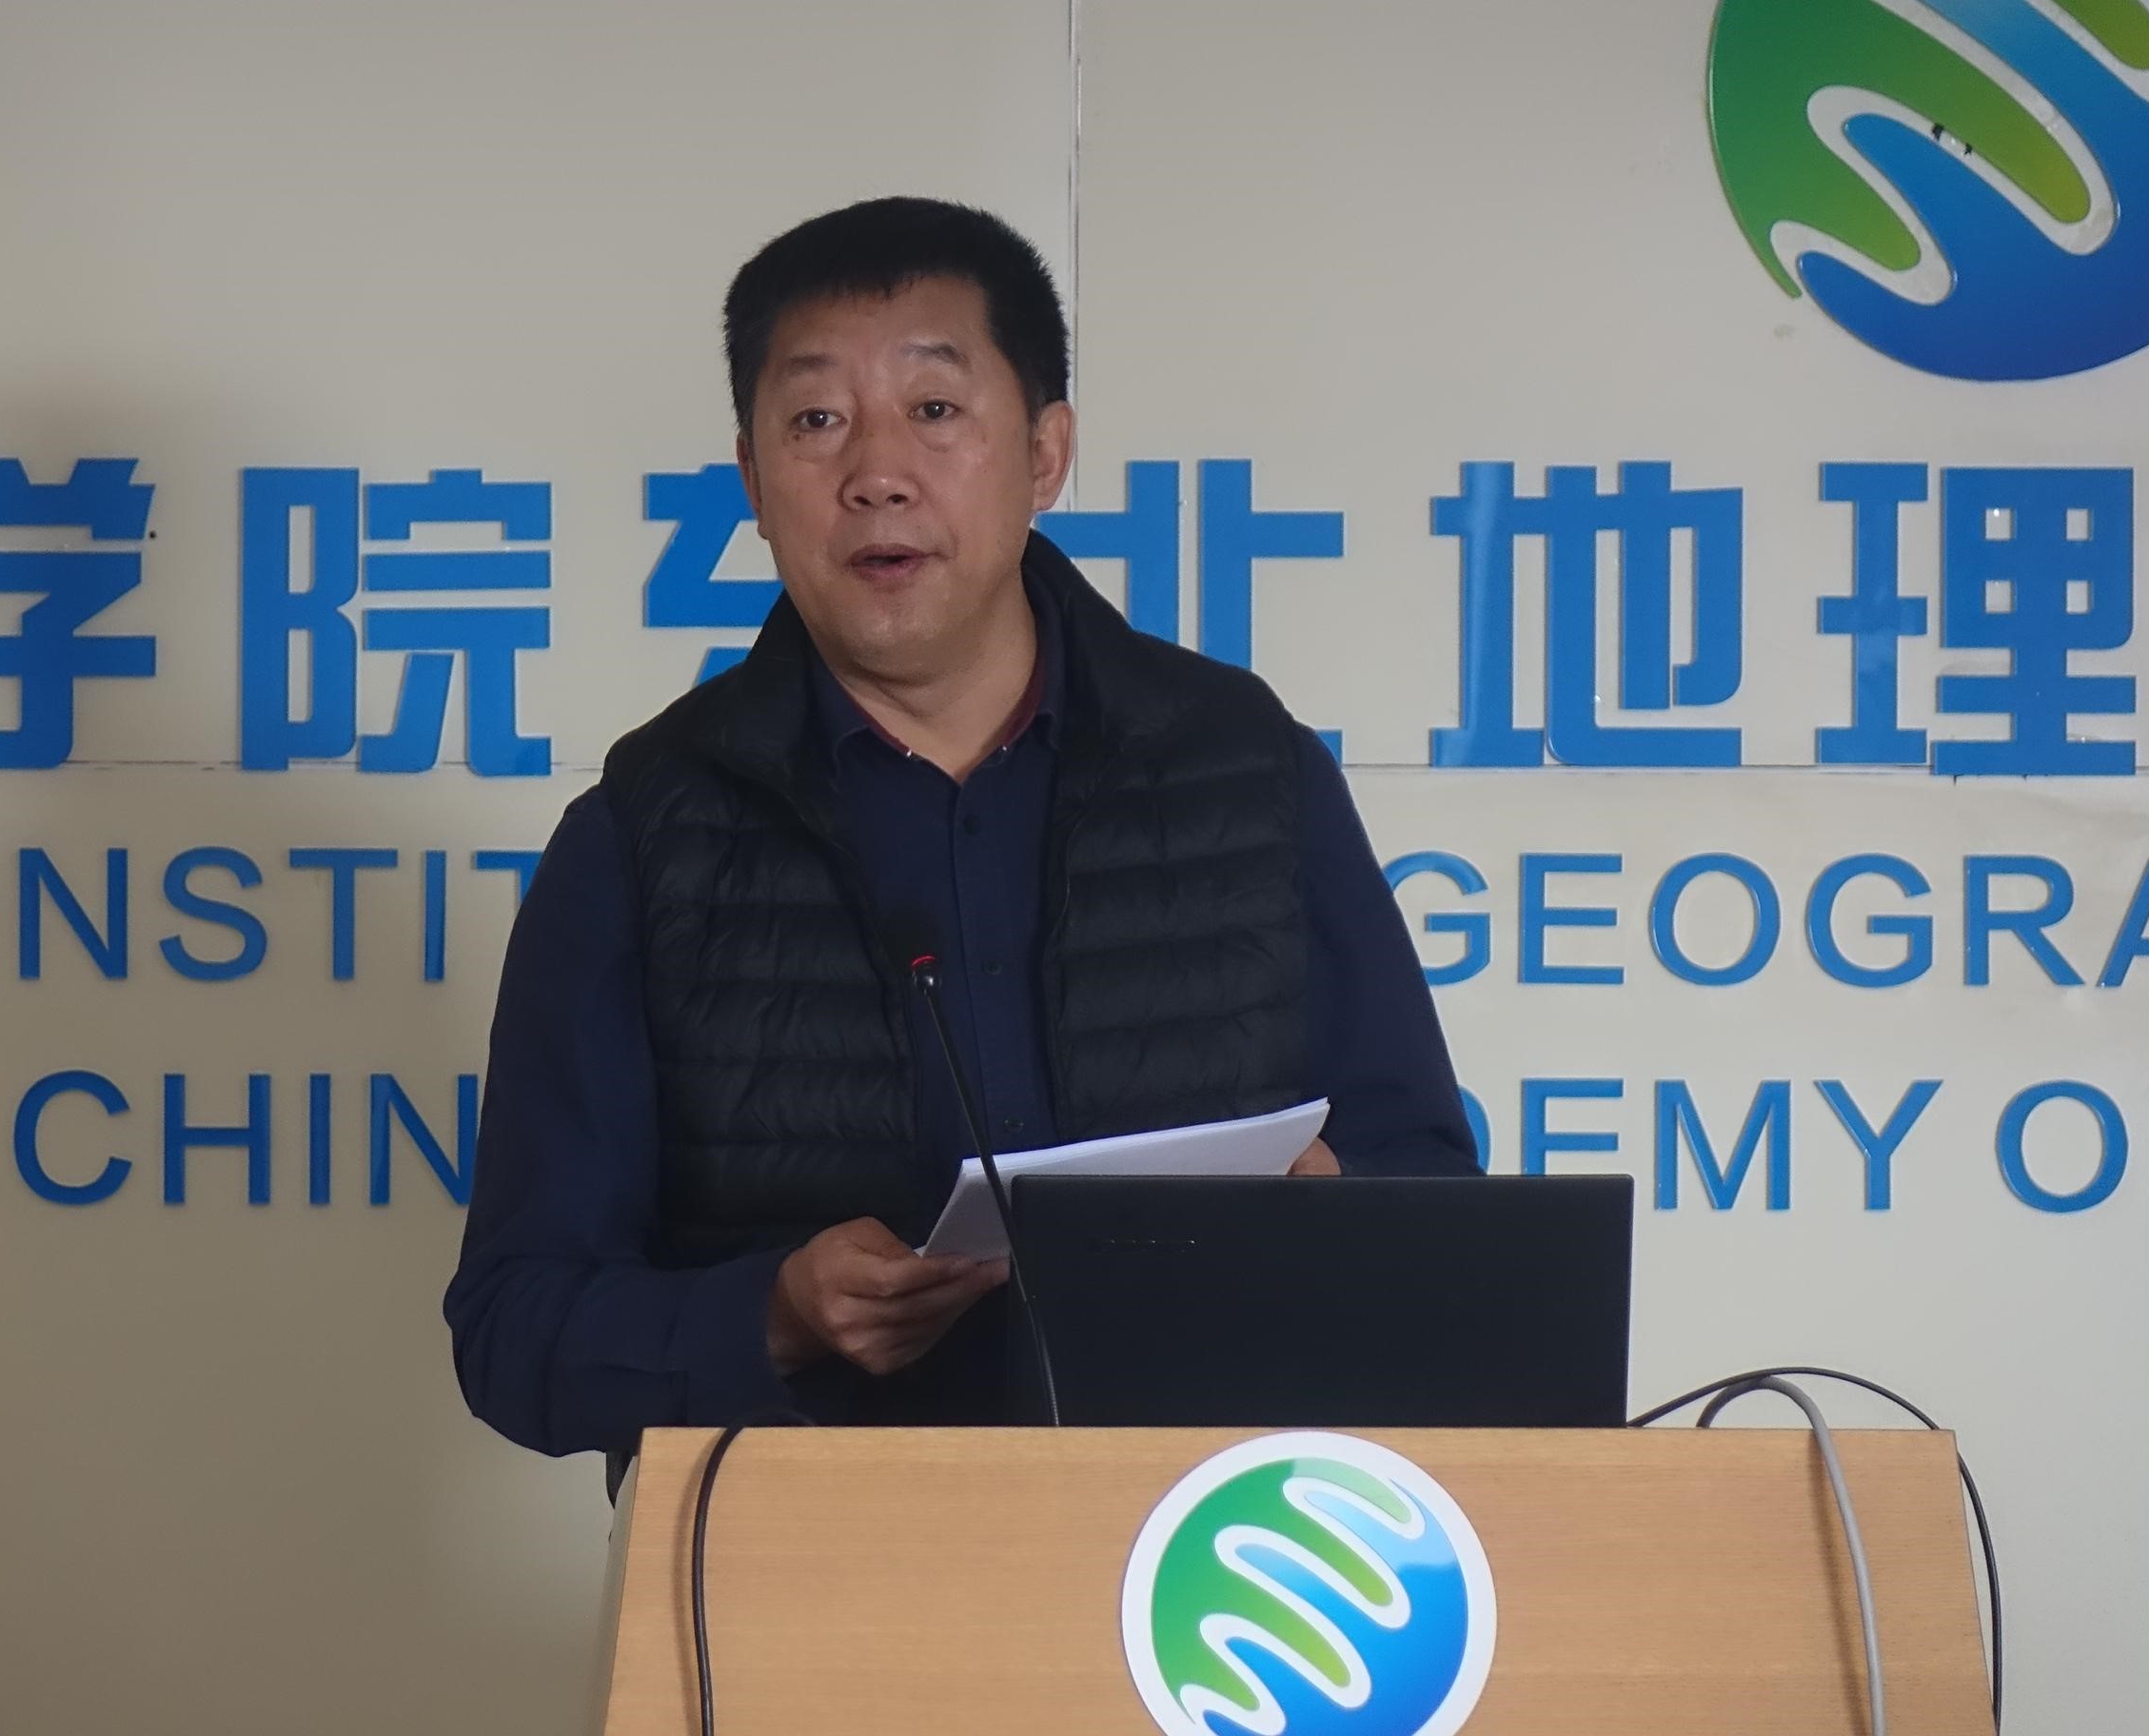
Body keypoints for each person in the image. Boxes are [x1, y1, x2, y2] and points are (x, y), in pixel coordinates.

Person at [443, 196, 1477, 1481]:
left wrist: (1328, 1208)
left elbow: (1433, 1193)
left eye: (934, 409)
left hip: (1207, 1542)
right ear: (753, 482)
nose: (876, 472)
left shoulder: (1244, 769)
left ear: (1045, 453)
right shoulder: (644, 833)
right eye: (816, 422)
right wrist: (770, 1316)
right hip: (815, 1563)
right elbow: (514, 1333)